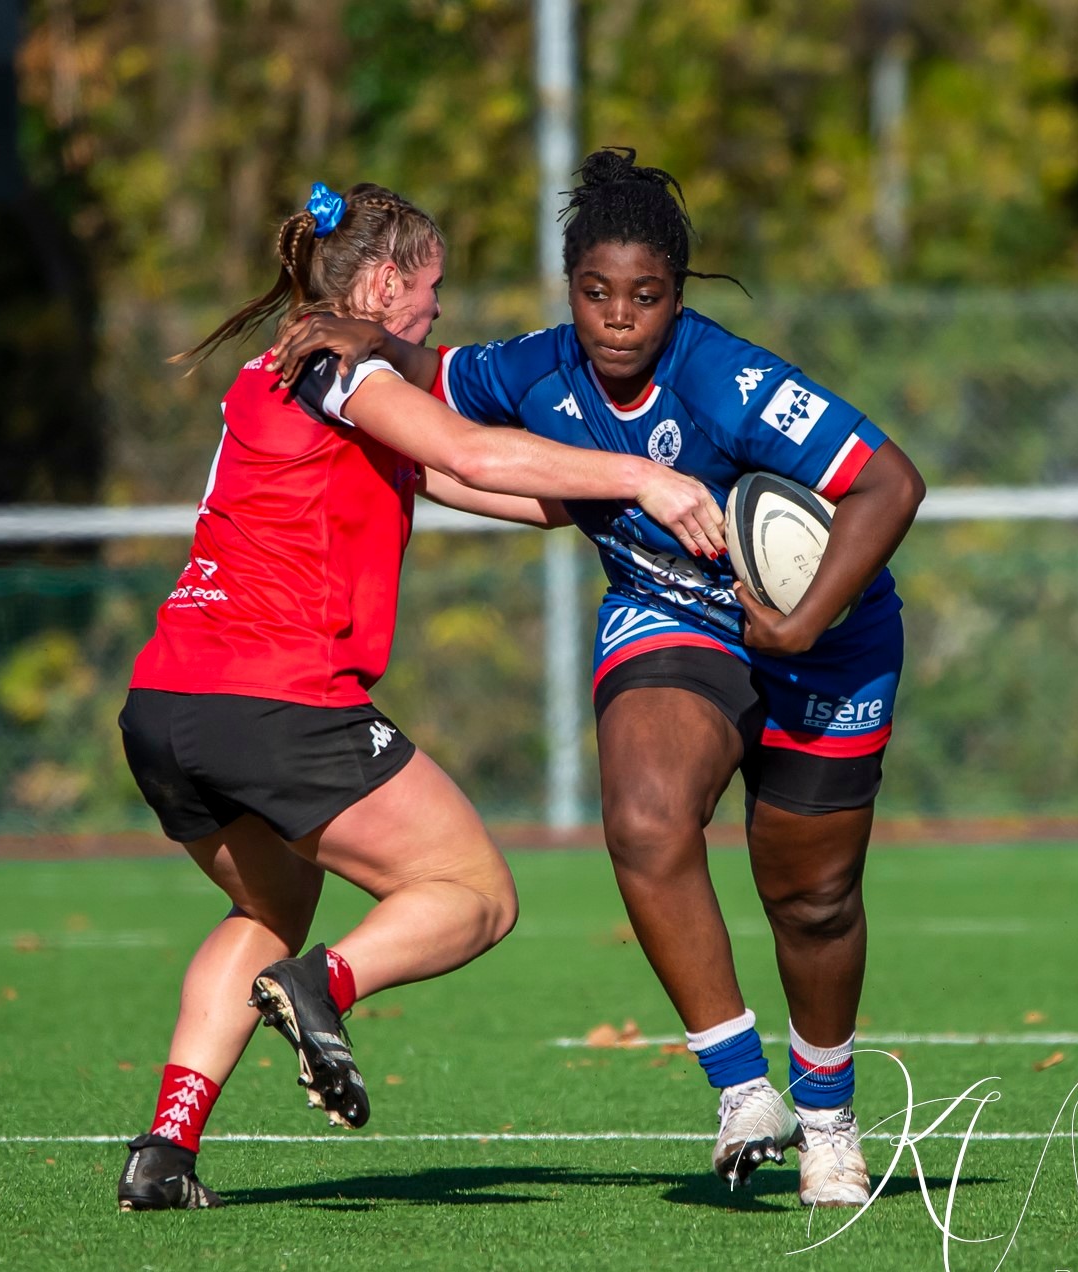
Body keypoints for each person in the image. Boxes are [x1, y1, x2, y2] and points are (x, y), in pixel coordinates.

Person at [269, 148, 926, 1208]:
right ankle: (740, 1090)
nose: (617, 318)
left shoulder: (729, 383)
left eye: (645, 296)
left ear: (677, 293)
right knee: (644, 820)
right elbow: (436, 380)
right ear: (569, 287)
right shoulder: (538, 368)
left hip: (826, 638)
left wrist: (802, 622)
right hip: (673, 616)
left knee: (810, 898)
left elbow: (890, 483)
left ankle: (828, 1123)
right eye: (594, 292)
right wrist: (368, 338)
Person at [115, 179, 729, 1211]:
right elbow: (469, 448)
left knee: (268, 907)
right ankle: (323, 986)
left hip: (168, 704)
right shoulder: (342, 368)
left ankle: (166, 1149)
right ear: (383, 283)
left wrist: (653, 475)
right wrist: (643, 480)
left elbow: (495, 488)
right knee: (474, 895)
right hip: (277, 699)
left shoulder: (277, 376)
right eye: (431, 286)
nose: (438, 309)